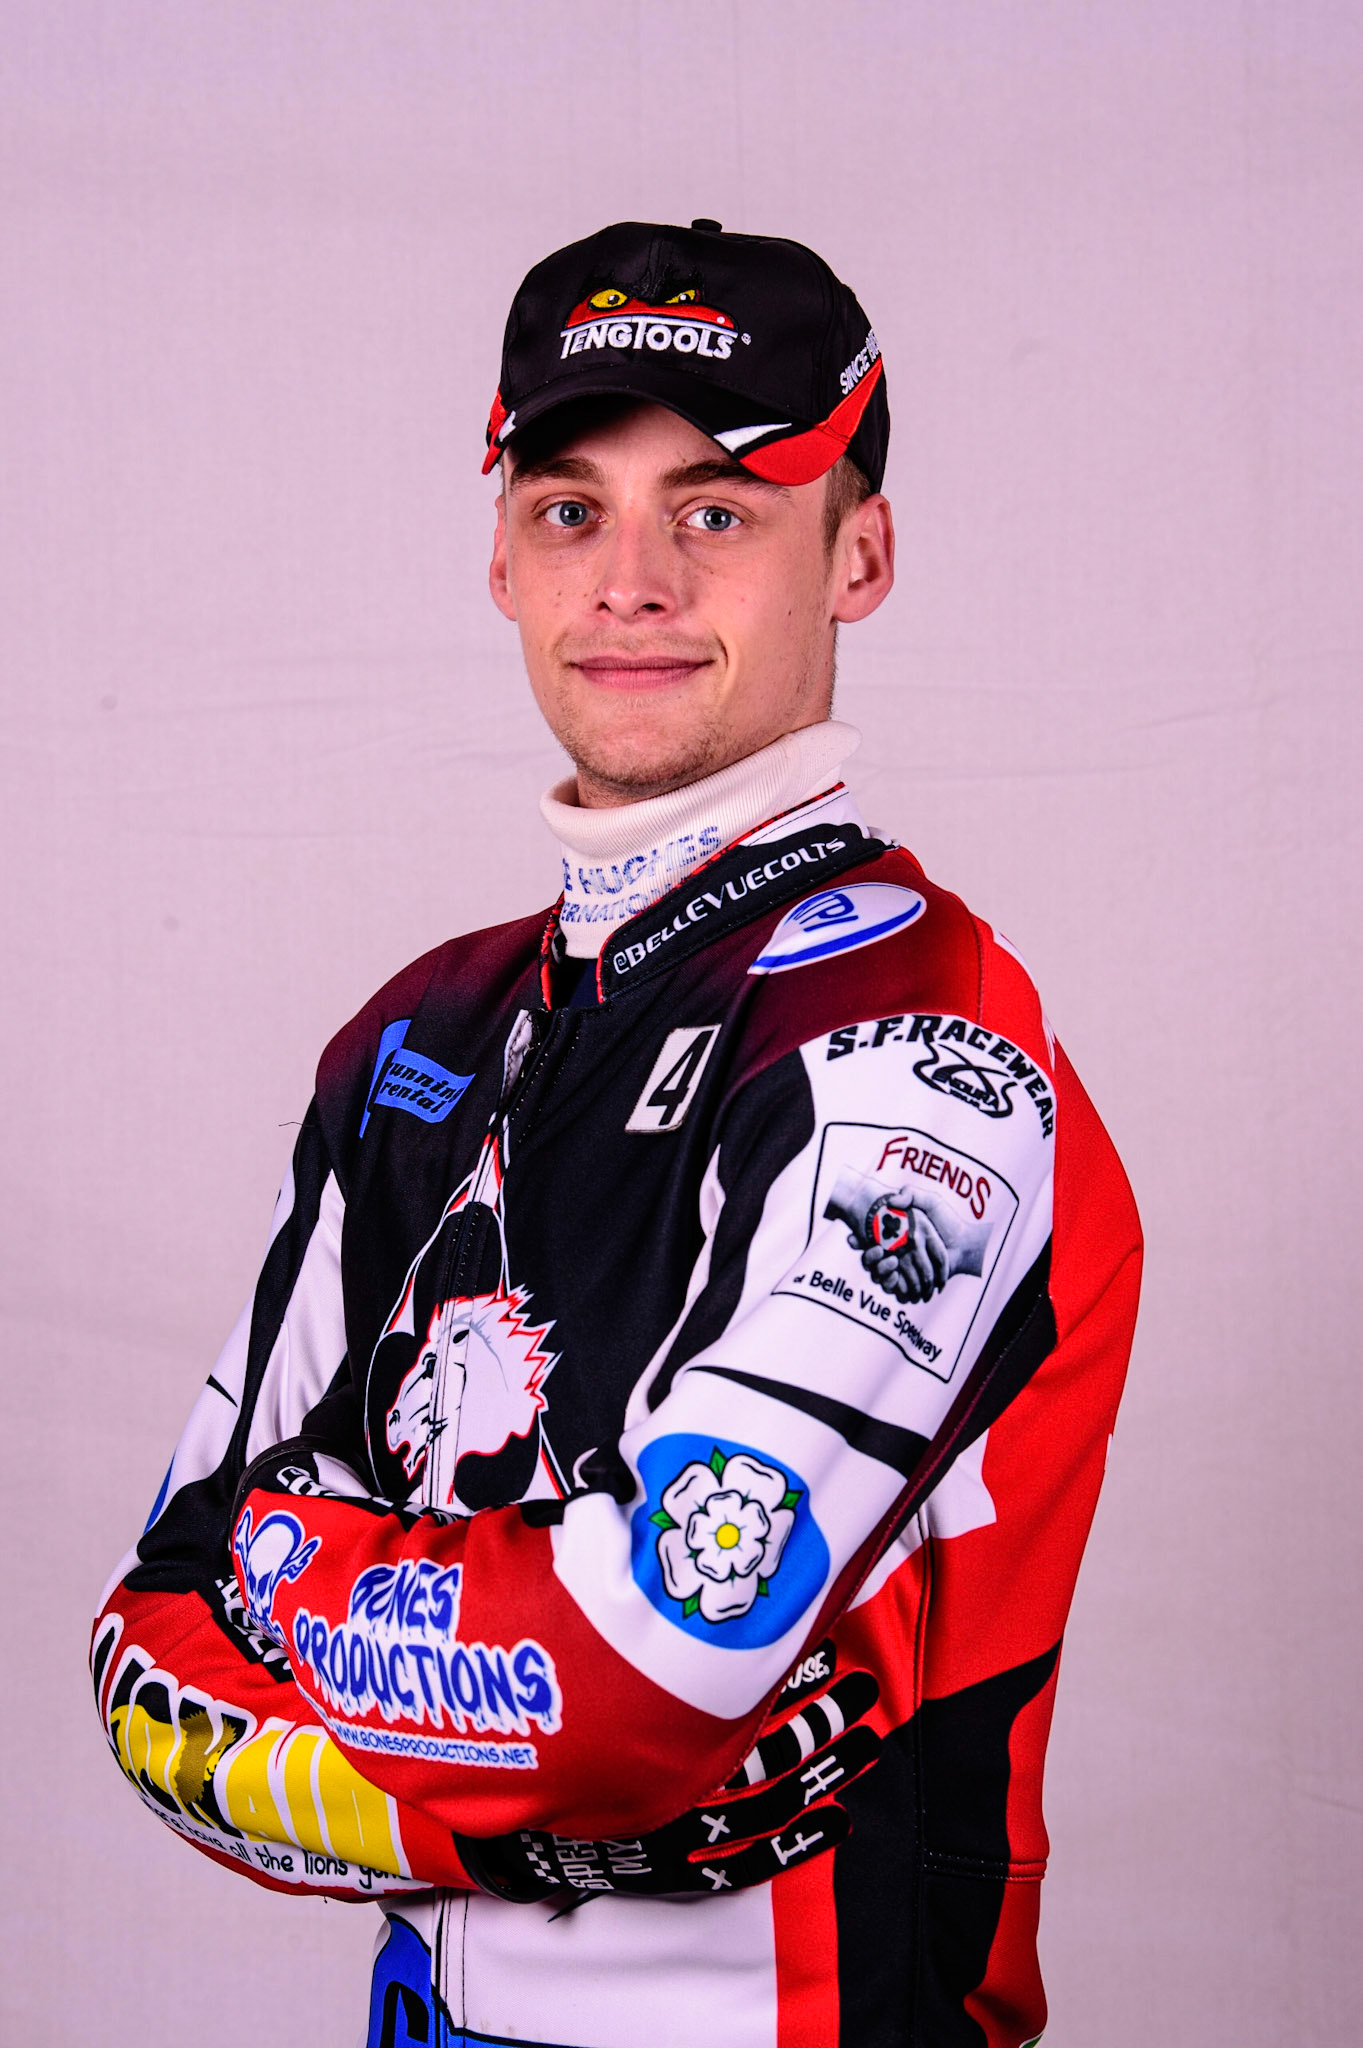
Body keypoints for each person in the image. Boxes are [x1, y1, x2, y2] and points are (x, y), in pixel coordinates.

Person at [92, 219, 1142, 2048]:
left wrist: (313, 1585)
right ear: (501, 555)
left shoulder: (916, 1045)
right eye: (573, 509)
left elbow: (650, 1664)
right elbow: (152, 1635)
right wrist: (555, 1830)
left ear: (861, 554)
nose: (633, 582)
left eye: (719, 510)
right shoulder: (416, 1034)